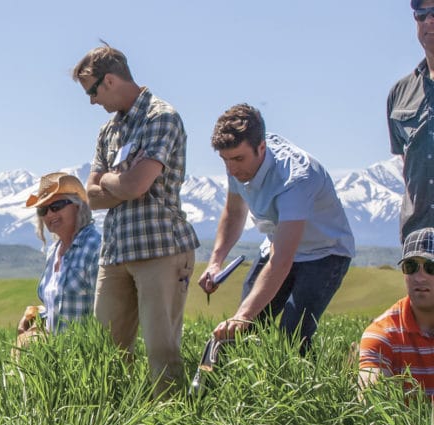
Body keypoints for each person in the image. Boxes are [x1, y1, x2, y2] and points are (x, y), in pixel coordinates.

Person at [73, 44, 199, 394]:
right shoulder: (107, 131)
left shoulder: (161, 116)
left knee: (162, 351)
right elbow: (92, 195)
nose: (91, 101)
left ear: (109, 80)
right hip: (115, 252)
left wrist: (116, 180)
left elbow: (136, 184)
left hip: (160, 247)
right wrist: (122, 180)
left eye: (92, 91)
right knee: (105, 352)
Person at [200, 104, 354, 352]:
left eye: (238, 159)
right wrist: (215, 262)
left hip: (324, 254)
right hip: (276, 243)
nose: (231, 169)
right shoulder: (237, 159)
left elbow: (282, 261)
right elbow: (233, 212)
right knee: (244, 330)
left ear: (262, 148)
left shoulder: (295, 179)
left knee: (291, 336)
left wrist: (243, 316)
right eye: (225, 160)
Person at [18, 172, 102, 338]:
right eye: (43, 209)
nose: (49, 214)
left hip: (86, 356)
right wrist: (36, 315)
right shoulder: (54, 251)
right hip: (58, 355)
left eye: (56, 206)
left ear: (78, 205)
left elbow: (105, 312)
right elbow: (59, 306)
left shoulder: (94, 246)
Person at [359, 227, 434, 396]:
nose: (420, 277)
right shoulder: (381, 335)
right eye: (411, 266)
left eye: (431, 267)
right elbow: (372, 406)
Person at [388, 0, 434, 241]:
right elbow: (408, 162)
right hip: (417, 235)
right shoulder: (400, 92)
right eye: (421, 14)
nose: (428, 20)